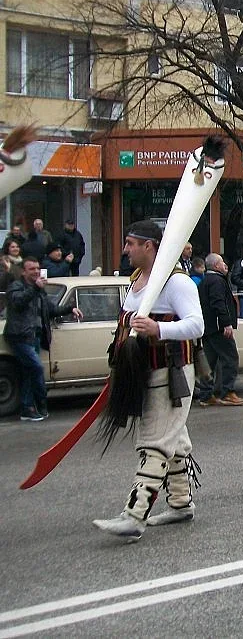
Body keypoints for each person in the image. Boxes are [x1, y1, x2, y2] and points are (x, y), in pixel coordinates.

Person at [92, 220, 205, 540]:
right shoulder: (136, 280)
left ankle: (135, 514)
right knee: (175, 441)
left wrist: (160, 330)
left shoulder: (177, 283)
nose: (125, 249)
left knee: (155, 441)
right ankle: (181, 503)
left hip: (170, 373)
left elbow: (197, 325)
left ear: (149, 246)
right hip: (143, 372)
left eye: (130, 243)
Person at [3, 257, 82, 420]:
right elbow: (18, 302)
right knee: (37, 368)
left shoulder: (39, 290)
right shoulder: (16, 287)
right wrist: (35, 288)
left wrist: (70, 308)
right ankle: (41, 403)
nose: (36, 272)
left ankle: (27, 407)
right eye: (32, 269)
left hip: (35, 336)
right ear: (24, 272)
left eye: (38, 268)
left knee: (28, 372)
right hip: (20, 335)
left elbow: (50, 308)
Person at [195, 253, 243, 407]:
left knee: (209, 362)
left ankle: (205, 395)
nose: (225, 265)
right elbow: (218, 302)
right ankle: (228, 392)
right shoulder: (217, 281)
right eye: (222, 262)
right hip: (219, 328)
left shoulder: (204, 281)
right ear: (216, 265)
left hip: (208, 328)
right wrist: (226, 323)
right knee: (230, 358)